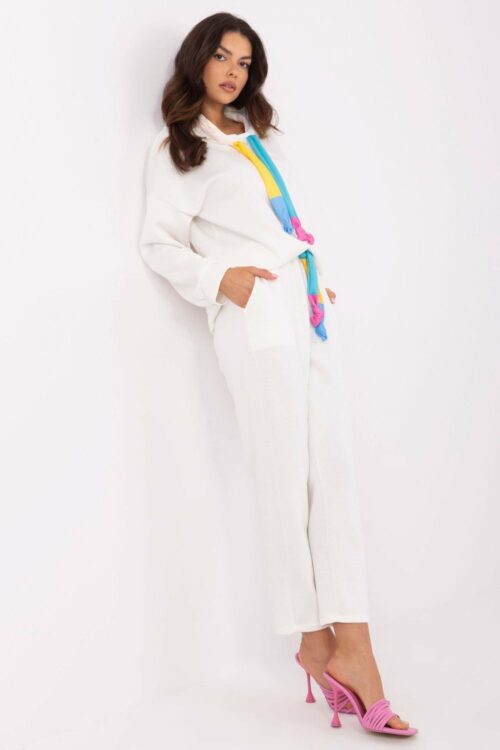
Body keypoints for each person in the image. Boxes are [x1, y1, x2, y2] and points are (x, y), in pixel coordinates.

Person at [139, 12, 417, 737]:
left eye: (245, 61)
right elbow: (158, 243)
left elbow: (279, 224)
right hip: (257, 316)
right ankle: (319, 641)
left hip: (307, 309)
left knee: (335, 476)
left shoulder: (255, 136)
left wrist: (309, 283)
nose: (233, 71)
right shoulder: (180, 148)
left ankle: (350, 643)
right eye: (222, 56)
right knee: (283, 479)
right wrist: (220, 279)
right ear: (197, 60)